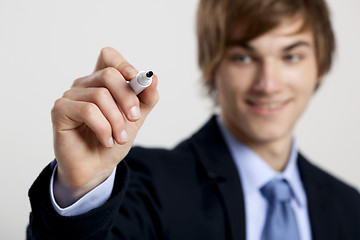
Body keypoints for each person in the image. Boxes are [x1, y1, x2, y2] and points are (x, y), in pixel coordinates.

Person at [27, 0, 360, 239]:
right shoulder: (144, 187)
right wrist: (82, 188)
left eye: (292, 55)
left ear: (321, 65)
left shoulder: (351, 208)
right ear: (212, 67)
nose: (268, 84)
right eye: (243, 56)